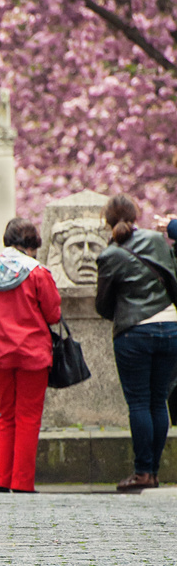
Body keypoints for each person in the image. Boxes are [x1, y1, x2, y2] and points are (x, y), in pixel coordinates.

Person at [0, 218, 61, 493]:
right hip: (31, 354)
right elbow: (53, 313)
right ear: (32, 244)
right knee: (28, 416)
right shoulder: (37, 272)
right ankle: (22, 482)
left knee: (5, 414)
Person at [97, 194, 177, 491]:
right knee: (159, 402)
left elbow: (102, 305)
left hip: (134, 332)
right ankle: (153, 472)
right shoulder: (158, 242)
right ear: (136, 215)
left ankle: (142, 472)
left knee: (139, 403)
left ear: (106, 220)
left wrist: (122, 313)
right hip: (170, 327)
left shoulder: (110, 255)